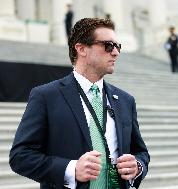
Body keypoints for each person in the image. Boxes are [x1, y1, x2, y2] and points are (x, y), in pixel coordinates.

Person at [9, 18, 150, 189]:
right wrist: (71, 169)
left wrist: (138, 166)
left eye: (117, 46)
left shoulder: (126, 100)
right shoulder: (46, 96)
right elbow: (20, 157)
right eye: (108, 45)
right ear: (81, 49)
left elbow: (141, 152)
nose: (115, 53)